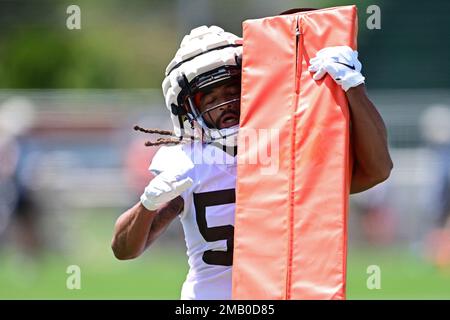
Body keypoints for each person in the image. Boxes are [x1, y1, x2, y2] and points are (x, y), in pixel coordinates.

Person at [111, 24, 393, 300]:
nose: (225, 104)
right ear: (188, 110)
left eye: (231, 90)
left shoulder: (285, 148)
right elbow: (124, 250)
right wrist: (146, 205)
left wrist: (353, 88)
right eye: (209, 98)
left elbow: (377, 170)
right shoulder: (188, 162)